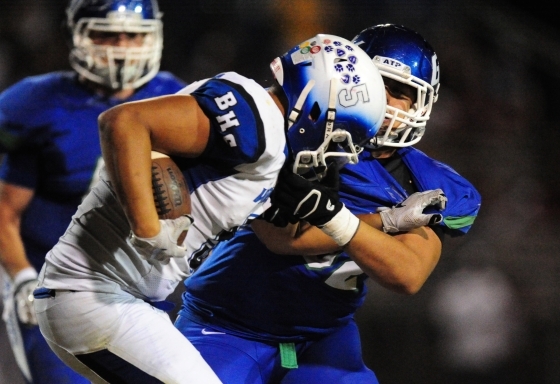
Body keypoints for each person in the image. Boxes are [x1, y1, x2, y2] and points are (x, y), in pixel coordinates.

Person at [32, 32, 387, 383]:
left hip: (118, 299)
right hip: (91, 294)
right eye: (341, 134)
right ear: (316, 104)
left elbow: (289, 237)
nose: (337, 151)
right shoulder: (257, 120)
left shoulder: (272, 144)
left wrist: (387, 220)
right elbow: (123, 122)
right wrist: (148, 228)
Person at [174, 24, 482, 383]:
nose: (383, 99)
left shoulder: (427, 181)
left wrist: (342, 218)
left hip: (324, 339)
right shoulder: (296, 130)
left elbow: (407, 273)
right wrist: (387, 220)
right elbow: (283, 237)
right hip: (228, 323)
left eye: (399, 91)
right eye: (376, 83)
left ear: (421, 102)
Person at [0, 1, 186, 383]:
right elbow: (5, 210)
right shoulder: (32, 103)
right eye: (107, 34)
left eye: (133, 35)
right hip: (53, 284)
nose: (121, 46)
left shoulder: (178, 99)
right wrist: (20, 277)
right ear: (79, 36)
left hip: (140, 284)